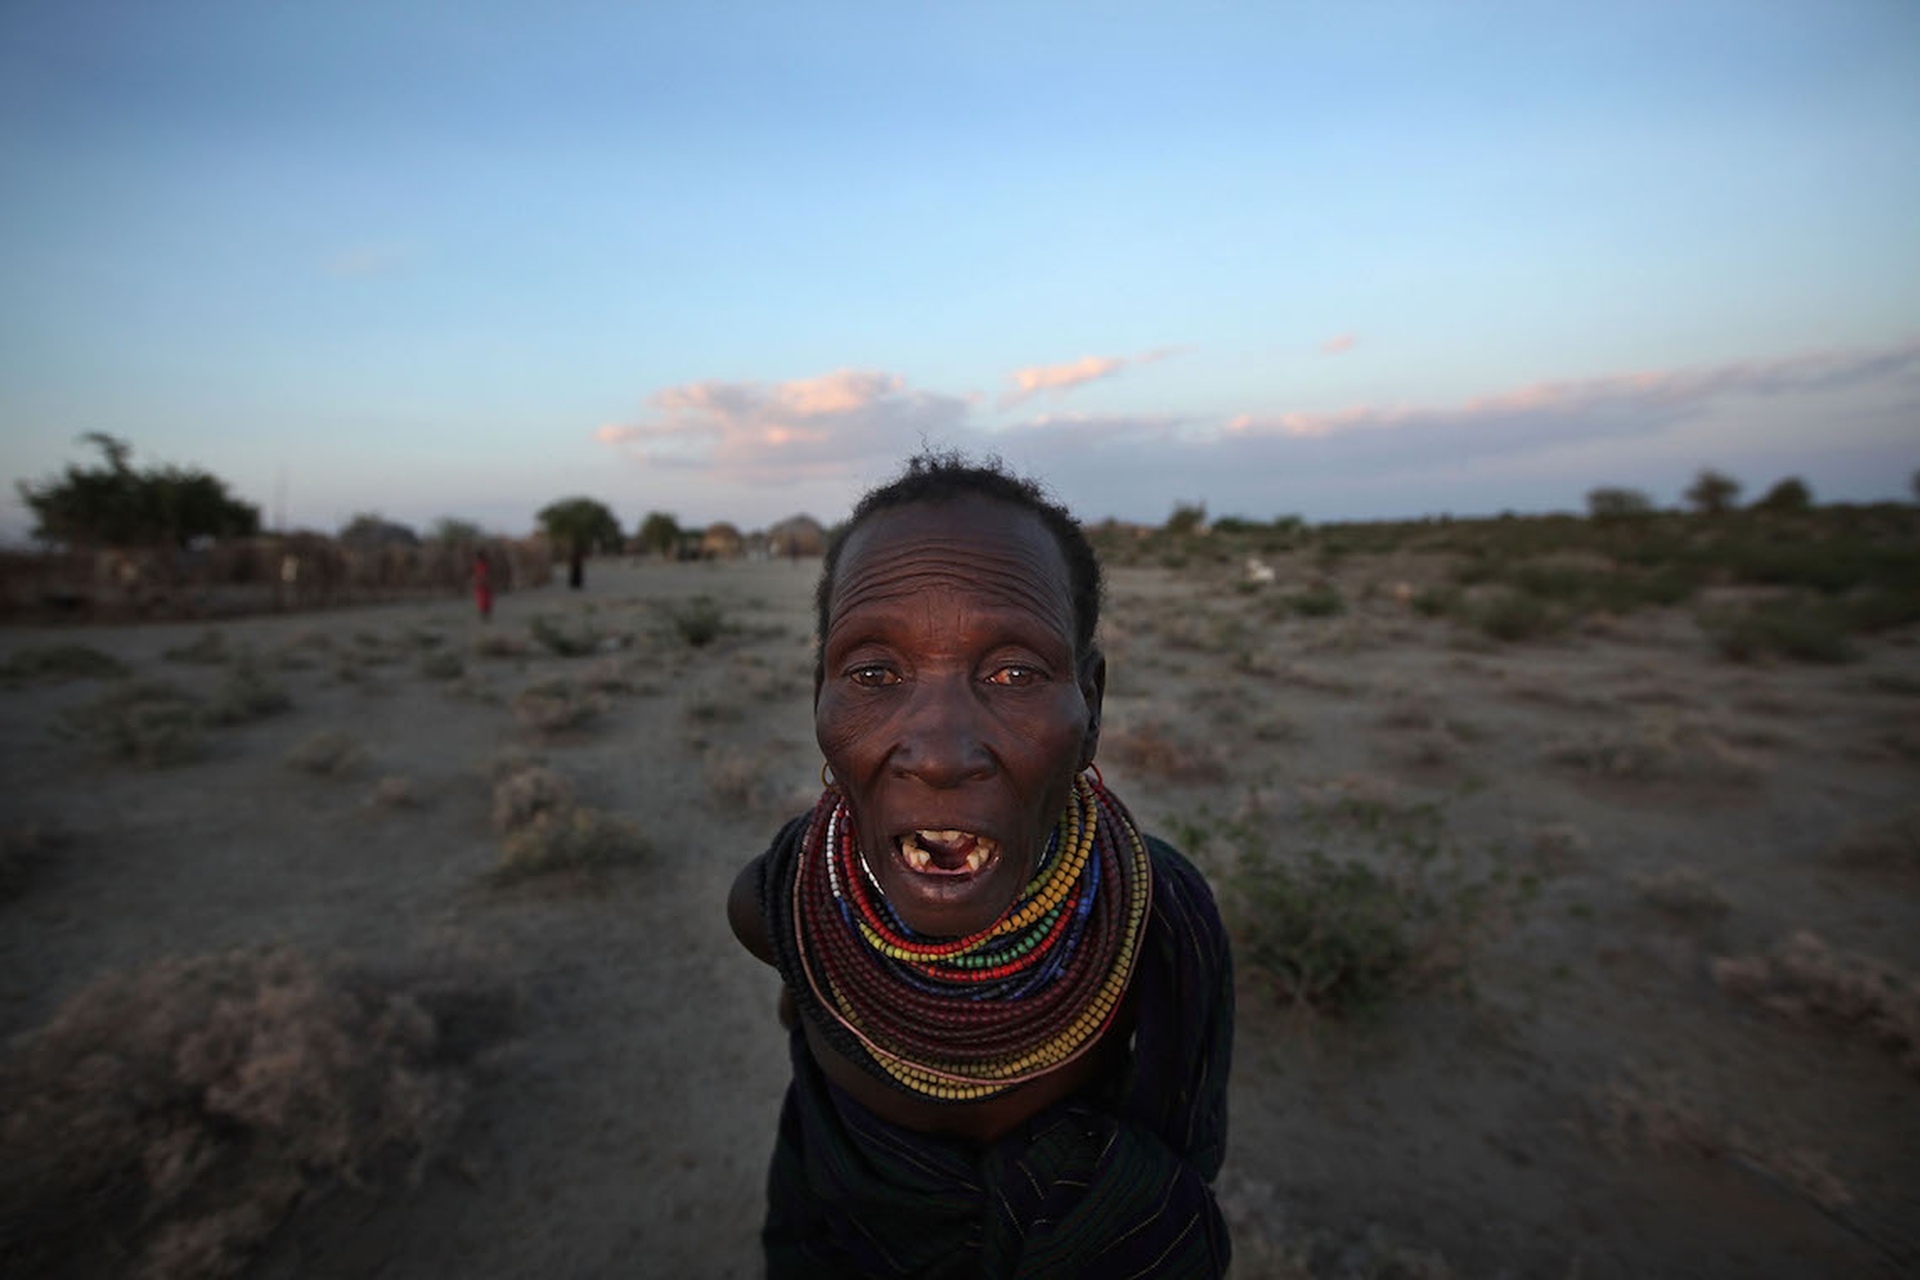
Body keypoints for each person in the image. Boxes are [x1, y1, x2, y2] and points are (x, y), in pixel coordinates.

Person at [728, 454, 1234, 1278]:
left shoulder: (1158, 917)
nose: (938, 753)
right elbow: (803, 1001)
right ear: (816, 697)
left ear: (1093, 706)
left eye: (1013, 673)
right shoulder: (781, 900)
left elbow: (1182, 1147)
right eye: (872, 674)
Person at [471, 550, 493, 622]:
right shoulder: (481, 564)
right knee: (484, 601)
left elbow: (482, 575)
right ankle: (485, 617)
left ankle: (485, 617)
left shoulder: (480, 565)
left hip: (482, 585)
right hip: (482, 585)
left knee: (483, 601)